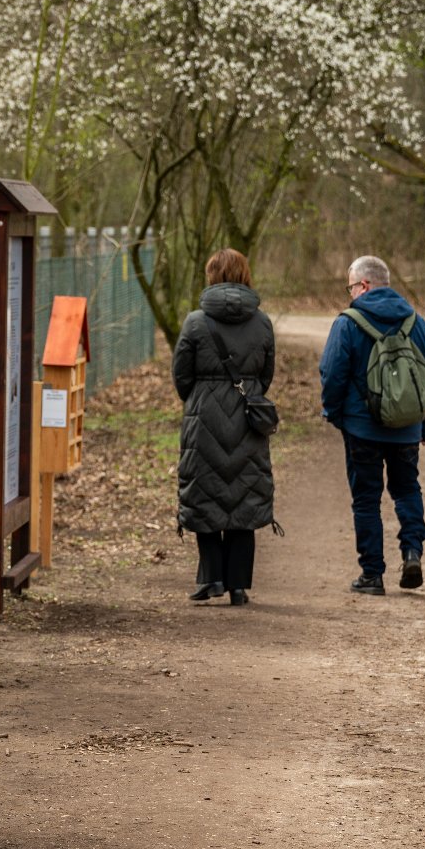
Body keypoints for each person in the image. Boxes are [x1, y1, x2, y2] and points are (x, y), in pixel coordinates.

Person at [319, 255, 425, 595]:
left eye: (351, 287)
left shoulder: (348, 323)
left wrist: (334, 413)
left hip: (362, 428)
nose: (350, 295)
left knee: (366, 500)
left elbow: (332, 373)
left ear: (364, 285)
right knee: (406, 490)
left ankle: (372, 575)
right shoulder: (416, 322)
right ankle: (412, 551)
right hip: (406, 428)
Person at [172, 248, 276, 607]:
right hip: (248, 417)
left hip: (204, 419)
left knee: (205, 496)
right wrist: (245, 394)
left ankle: (211, 578)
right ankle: (238, 587)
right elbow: (266, 374)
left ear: (211, 275)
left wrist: (202, 398)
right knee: (243, 497)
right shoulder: (261, 322)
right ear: (245, 274)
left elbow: (181, 375)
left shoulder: (195, 322)